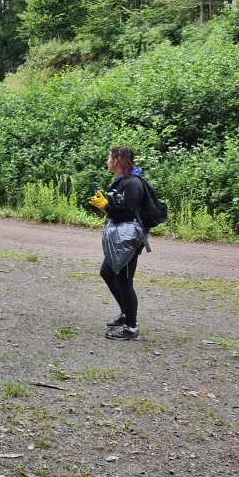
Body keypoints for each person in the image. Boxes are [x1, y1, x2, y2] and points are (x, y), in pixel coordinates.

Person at [89, 145, 147, 340]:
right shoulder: (122, 181)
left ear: (117, 160)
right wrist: (106, 205)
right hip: (121, 240)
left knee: (124, 280)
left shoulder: (132, 183)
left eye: (108, 157)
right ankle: (126, 313)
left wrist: (105, 206)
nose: (107, 161)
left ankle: (131, 328)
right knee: (107, 272)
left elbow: (129, 214)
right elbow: (120, 210)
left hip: (129, 241)